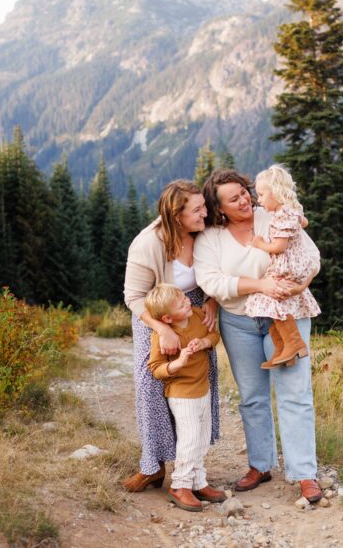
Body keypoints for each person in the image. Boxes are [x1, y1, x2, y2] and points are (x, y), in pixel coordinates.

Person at [194, 168, 323, 504]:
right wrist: (260, 285)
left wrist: (303, 282)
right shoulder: (211, 239)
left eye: (245, 192)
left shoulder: (274, 216)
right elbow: (212, 282)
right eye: (234, 198)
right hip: (238, 322)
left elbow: (311, 257)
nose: (245, 200)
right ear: (219, 208)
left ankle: (304, 473)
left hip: (286, 317)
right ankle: (261, 464)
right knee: (253, 396)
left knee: (295, 393)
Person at [121, 180, 219, 492]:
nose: (206, 213)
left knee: (197, 382)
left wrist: (213, 301)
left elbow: (218, 272)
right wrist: (162, 328)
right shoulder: (147, 244)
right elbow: (134, 298)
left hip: (194, 311)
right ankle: (153, 466)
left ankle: (190, 470)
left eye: (204, 206)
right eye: (197, 209)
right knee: (153, 386)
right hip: (156, 315)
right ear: (176, 216)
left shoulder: (204, 233)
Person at [145, 284, 227, 511]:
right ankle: (180, 485)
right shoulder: (161, 337)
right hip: (182, 394)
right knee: (189, 439)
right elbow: (156, 368)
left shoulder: (198, 315)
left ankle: (198, 482)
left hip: (203, 388)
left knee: (202, 437)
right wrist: (178, 363)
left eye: (184, 297)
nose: (188, 302)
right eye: (181, 304)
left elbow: (214, 334)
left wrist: (204, 343)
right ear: (167, 318)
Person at [245, 164, 321, 369]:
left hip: (288, 266)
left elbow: (279, 246)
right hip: (294, 265)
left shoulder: (281, 216)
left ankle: (294, 344)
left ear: (276, 193)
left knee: (272, 302)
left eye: (261, 195)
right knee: (272, 305)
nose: (258, 200)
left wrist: (260, 244)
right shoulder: (291, 211)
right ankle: (283, 349)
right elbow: (304, 222)